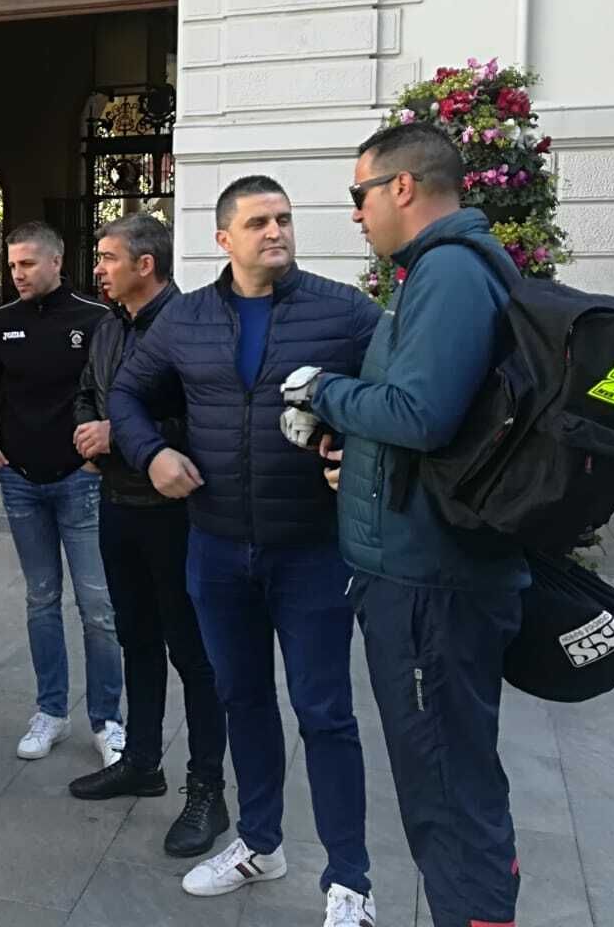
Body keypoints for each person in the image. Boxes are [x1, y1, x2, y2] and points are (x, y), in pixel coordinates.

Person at [108, 176, 381, 927]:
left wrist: (355, 447)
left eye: (285, 219)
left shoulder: (344, 311)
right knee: (243, 699)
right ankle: (260, 843)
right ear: (223, 239)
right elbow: (125, 395)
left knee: (325, 713)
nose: (276, 231)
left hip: (314, 554)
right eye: (258, 222)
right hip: (217, 547)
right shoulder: (187, 319)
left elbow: (399, 394)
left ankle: (349, 881)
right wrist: (152, 454)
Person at [288, 123, 528, 927]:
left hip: (430, 585)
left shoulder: (451, 274)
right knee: (446, 784)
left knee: (448, 799)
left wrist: (324, 391)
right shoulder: (434, 272)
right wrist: (349, 446)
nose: (354, 214)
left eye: (358, 194)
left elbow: (420, 413)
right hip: (416, 568)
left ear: (401, 188)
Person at [68, 214, 230, 861]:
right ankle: (141, 759)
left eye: (108, 258)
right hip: (117, 505)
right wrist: (87, 432)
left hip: (178, 516)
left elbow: (205, 416)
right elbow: (88, 394)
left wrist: (119, 435)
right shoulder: (108, 328)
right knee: (135, 636)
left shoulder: (194, 324)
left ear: (146, 264)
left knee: (193, 654)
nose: (99, 268)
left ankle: (206, 789)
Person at [0, 221, 123, 766]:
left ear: (56, 262)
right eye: (11, 266)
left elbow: (116, 393)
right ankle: (51, 711)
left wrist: (102, 454)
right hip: (20, 481)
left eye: (27, 264)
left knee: (98, 605)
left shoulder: (97, 319)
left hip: (81, 482)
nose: (17, 274)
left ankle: (108, 720)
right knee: (40, 599)